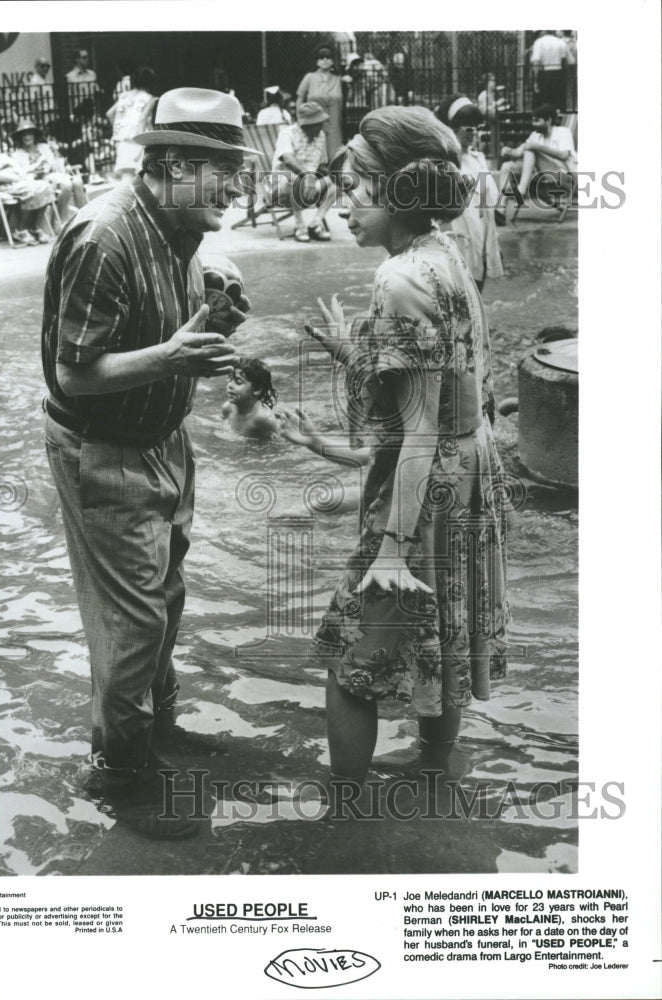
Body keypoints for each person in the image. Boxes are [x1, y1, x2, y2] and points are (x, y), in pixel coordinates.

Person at [41, 87, 254, 839]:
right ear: (171, 166)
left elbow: (175, 306)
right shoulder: (104, 237)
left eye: (238, 169)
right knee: (131, 625)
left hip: (163, 436)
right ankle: (122, 777)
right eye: (222, 170)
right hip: (105, 446)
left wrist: (210, 306)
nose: (237, 185)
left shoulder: (180, 227)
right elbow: (75, 374)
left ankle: (157, 730)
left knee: (164, 597)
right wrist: (173, 354)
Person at [297, 106, 510, 805]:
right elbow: (447, 378)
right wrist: (355, 351)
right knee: (443, 630)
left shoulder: (397, 279)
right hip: (468, 467)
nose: (342, 201)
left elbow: (415, 432)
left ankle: (345, 811)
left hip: (426, 481)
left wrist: (391, 547)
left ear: (400, 190)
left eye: (356, 184)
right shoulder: (444, 248)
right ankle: (433, 773)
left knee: (349, 657)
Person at [434, 95, 503, 291]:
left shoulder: (477, 158)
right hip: (455, 236)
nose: (474, 134)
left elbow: (489, 201)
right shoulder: (441, 162)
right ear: (452, 130)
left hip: (480, 236)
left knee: (475, 294)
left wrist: (494, 243)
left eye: (477, 128)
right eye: (469, 129)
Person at [495, 103, 577, 222]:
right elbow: (518, 153)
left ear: (548, 120)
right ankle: (501, 208)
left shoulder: (563, 132)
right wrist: (508, 151)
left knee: (531, 148)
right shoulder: (536, 135)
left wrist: (537, 147)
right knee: (507, 166)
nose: (534, 124)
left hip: (564, 176)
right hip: (542, 176)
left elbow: (564, 155)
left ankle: (521, 190)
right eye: (533, 120)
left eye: (537, 121)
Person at [271, 101, 337, 243]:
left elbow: (322, 165)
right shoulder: (287, 133)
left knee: (340, 179)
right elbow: (287, 159)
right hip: (283, 189)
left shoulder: (320, 136)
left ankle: (315, 223)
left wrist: (334, 172)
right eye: (318, 123)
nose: (321, 126)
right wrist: (308, 176)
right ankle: (300, 225)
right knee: (293, 178)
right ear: (307, 124)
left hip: (309, 187)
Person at [10, 118, 87, 226]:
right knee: (66, 184)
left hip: (52, 175)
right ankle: (59, 220)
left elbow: (53, 165)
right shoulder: (18, 154)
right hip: (37, 181)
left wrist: (53, 158)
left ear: (34, 135)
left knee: (78, 181)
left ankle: (86, 216)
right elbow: (22, 174)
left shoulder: (44, 147)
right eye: (24, 135)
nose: (27, 137)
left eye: (30, 134)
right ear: (20, 137)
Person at [106, 65, 157, 181]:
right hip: (139, 139)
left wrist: (120, 129)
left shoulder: (124, 96)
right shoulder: (149, 98)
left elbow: (109, 113)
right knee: (144, 179)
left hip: (124, 140)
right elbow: (143, 120)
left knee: (126, 180)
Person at [296, 46, 345, 159]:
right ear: (317, 61)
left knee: (334, 152)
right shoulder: (309, 77)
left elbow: (348, 97)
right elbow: (300, 97)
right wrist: (300, 117)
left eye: (328, 57)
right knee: (316, 152)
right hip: (314, 120)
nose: (325, 60)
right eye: (322, 57)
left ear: (332, 61)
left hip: (334, 120)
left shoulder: (337, 78)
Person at [221, 358, 279, 438]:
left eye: (238, 382)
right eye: (230, 379)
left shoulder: (263, 419)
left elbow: (275, 446)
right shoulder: (227, 409)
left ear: (257, 389)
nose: (230, 385)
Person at [530, 30, 568, 109]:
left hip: (544, 74)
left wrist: (535, 80)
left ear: (543, 31)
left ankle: (544, 119)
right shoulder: (561, 42)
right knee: (557, 102)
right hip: (558, 74)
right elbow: (568, 60)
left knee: (542, 102)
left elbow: (536, 61)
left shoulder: (539, 42)